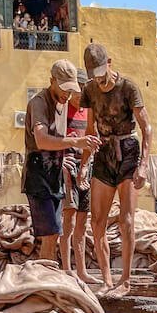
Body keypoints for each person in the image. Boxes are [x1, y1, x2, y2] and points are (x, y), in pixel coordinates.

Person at [81, 42, 152, 294]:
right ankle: (107, 280)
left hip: (128, 151)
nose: (99, 80)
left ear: (109, 63)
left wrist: (143, 165)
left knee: (126, 220)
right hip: (104, 153)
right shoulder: (89, 90)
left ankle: (126, 281)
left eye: (101, 73)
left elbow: (147, 128)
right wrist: (83, 165)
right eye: (94, 76)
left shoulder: (128, 87)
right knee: (97, 222)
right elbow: (90, 130)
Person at [23, 60, 100, 261]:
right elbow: (41, 140)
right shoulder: (39, 102)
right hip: (38, 173)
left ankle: (46, 280)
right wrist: (77, 142)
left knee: (54, 234)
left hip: (54, 174)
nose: (67, 94)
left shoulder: (61, 103)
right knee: (49, 234)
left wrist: (65, 156)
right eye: (64, 89)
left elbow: (59, 139)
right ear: (52, 81)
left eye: (70, 90)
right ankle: (46, 281)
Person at [60, 72, 96, 283]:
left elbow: (92, 138)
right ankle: (66, 268)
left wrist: (86, 166)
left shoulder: (88, 112)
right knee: (69, 219)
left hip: (85, 167)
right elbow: (54, 138)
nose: (78, 95)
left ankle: (81, 270)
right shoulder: (63, 111)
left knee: (83, 219)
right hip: (67, 167)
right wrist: (60, 159)